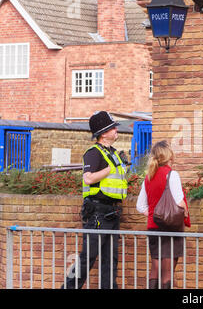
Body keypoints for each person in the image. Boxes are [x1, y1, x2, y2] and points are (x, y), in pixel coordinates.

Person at [62, 111, 127, 289]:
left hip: (112, 212)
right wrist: (111, 167)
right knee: (87, 258)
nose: (116, 130)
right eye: (113, 128)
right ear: (103, 132)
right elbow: (88, 179)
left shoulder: (113, 153)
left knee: (110, 260)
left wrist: (120, 164)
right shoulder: (94, 153)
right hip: (97, 213)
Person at [136, 140, 191, 289]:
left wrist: (155, 214)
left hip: (154, 228)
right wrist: (185, 213)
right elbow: (179, 203)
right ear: (169, 156)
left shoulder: (148, 177)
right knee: (167, 274)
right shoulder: (172, 175)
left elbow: (140, 206)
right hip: (171, 229)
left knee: (155, 269)